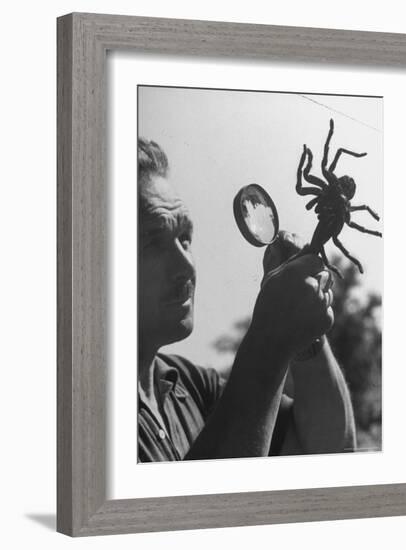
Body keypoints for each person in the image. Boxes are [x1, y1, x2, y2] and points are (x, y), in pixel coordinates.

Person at [137, 137, 356, 462]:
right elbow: (196, 510)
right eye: (154, 242)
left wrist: (306, 333)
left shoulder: (193, 388)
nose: (186, 265)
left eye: (185, 239)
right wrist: (272, 339)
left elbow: (330, 449)